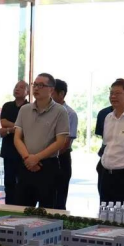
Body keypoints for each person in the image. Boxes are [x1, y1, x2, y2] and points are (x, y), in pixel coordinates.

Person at [14, 73, 70, 209]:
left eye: (41, 85)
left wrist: (36, 158)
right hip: (26, 164)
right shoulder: (24, 109)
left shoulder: (60, 111)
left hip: (48, 166)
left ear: (51, 89)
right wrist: (27, 158)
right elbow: (17, 138)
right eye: (35, 85)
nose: (36, 88)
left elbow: (60, 142)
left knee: (47, 209)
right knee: (22, 208)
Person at [0, 80, 29, 206]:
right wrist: (18, 127)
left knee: (24, 183)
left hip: (25, 152)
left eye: (21, 87)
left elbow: (28, 127)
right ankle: (9, 207)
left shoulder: (30, 107)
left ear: (27, 92)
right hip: (9, 151)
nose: (17, 89)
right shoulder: (7, 106)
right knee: (9, 183)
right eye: (16, 87)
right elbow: (3, 123)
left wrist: (9, 129)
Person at [52, 79, 78, 210]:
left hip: (61, 159)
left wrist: (48, 154)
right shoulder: (45, 111)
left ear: (61, 94)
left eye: (52, 92)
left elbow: (66, 142)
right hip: (44, 159)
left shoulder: (70, 113)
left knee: (59, 198)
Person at [94, 104, 114, 199]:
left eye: (118, 95)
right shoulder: (104, 114)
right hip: (105, 156)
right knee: (104, 196)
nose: (113, 97)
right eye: (111, 95)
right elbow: (103, 137)